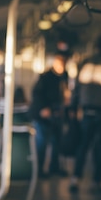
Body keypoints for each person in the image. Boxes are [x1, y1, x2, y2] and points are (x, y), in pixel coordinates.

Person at [69, 34, 101, 193]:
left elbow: (76, 88)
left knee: (83, 145)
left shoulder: (85, 63)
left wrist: (74, 107)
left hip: (86, 110)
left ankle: (75, 179)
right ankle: (97, 181)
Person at [28, 49, 71, 177]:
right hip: (43, 115)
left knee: (57, 141)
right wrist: (43, 109)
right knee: (42, 143)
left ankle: (54, 167)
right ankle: (39, 170)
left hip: (57, 113)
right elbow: (36, 94)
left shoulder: (64, 77)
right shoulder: (46, 77)